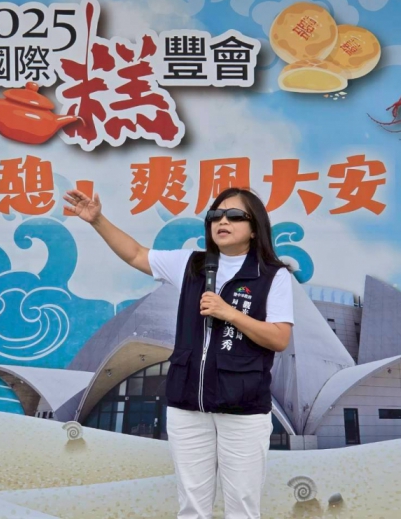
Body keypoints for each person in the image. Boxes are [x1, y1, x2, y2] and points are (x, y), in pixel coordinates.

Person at [65, 187, 294, 519]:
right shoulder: (192, 264)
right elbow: (135, 254)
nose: (222, 221)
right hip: (187, 405)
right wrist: (97, 220)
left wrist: (230, 313)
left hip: (243, 408)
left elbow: (279, 338)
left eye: (234, 216)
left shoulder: (272, 275)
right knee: (192, 507)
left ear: (255, 228)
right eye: (215, 215)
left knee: (242, 506)